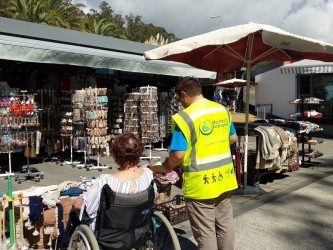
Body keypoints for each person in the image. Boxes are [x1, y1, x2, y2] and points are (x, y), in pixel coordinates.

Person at [150, 76, 238, 250]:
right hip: (225, 179)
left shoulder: (184, 118)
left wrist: (165, 167)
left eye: (179, 99)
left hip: (200, 185)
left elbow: (179, 155)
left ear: (183, 95)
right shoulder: (221, 110)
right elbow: (233, 138)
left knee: (205, 233)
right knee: (225, 226)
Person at [73, 133, 157, 231]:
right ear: (139, 153)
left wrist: (80, 200)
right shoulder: (148, 174)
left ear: (116, 155)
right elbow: (154, 197)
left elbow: (87, 209)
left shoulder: (106, 183)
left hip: (110, 234)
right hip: (138, 229)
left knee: (75, 211)